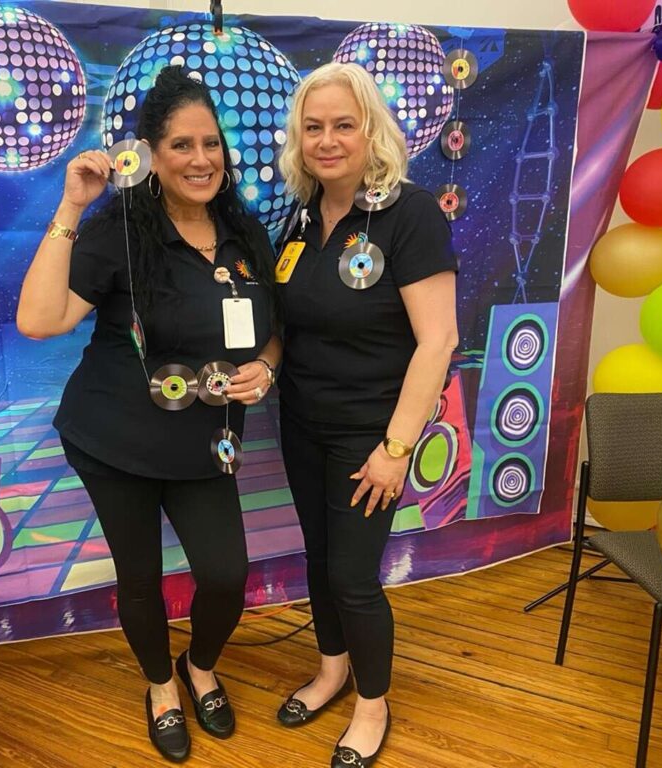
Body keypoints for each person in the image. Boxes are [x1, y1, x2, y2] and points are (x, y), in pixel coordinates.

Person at [17, 66, 280, 763]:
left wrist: (269, 366)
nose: (201, 159)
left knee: (224, 576)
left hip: (205, 446)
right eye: (181, 146)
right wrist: (72, 206)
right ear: (153, 156)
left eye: (211, 144)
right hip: (116, 441)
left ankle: (200, 667)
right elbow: (39, 319)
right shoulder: (119, 231)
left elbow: (272, 327)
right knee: (139, 580)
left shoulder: (245, 233)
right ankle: (161, 686)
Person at [273, 62, 459, 768]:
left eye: (343, 125)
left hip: (370, 435)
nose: (327, 140)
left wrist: (396, 448)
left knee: (353, 576)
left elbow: (437, 340)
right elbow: (292, 323)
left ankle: (372, 704)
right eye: (313, 127)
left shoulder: (408, 214)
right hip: (301, 423)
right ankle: (331, 671)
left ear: (371, 130)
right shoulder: (298, 217)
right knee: (320, 564)